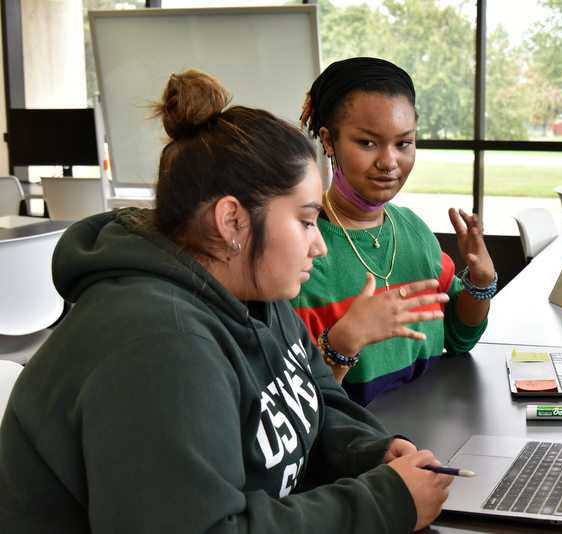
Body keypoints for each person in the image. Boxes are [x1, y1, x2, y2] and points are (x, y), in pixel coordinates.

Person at [0, 69, 452, 533]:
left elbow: (317, 400)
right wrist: (383, 502)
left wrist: (370, 453)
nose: (318, 245)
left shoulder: (258, 291)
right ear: (233, 221)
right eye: (306, 221)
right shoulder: (157, 347)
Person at [292, 57, 496, 405]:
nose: (389, 162)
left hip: (434, 426)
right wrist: (344, 340)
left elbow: (459, 340)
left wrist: (481, 280)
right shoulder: (302, 249)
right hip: (360, 446)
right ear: (329, 141)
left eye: (404, 143)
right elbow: (293, 398)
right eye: (368, 143)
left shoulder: (413, 230)